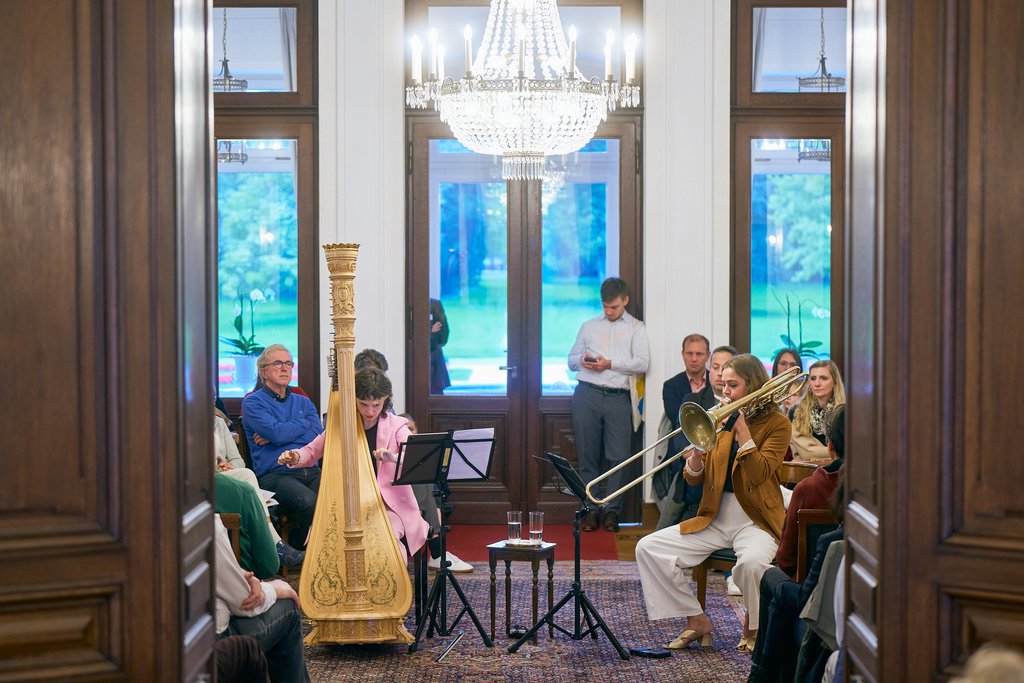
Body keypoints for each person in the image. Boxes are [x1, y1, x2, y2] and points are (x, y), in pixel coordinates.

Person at [634, 354, 790, 653]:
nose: (726, 391)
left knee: (752, 564)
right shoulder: (716, 416)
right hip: (715, 517)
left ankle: (754, 625)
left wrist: (743, 433)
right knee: (648, 548)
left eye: (733, 385)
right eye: (723, 384)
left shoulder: (777, 423)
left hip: (755, 519)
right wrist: (695, 460)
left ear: (754, 385)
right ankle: (697, 620)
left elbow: (760, 473)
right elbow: (694, 480)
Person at [279, 367, 428, 561]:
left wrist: (392, 457)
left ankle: (390, 586)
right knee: (332, 540)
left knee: (384, 538)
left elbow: (413, 457)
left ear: (385, 400)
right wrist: (295, 456)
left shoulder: (397, 425)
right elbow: (311, 451)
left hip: (388, 505)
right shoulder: (342, 425)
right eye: (363, 404)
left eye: (376, 404)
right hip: (349, 504)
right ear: (353, 400)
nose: (369, 411)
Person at [568, 277, 650, 532]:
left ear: (625, 300)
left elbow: (642, 363)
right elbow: (570, 361)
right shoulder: (589, 326)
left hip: (618, 396)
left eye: (613, 307)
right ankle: (590, 510)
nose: (608, 311)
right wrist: (584, 359)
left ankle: (612, 512)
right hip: (586, 394)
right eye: (605, 306)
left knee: (619, 458)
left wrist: (609, 363)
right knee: (587, 456)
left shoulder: (637, 328)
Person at [241, 344, 324, 549]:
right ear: (263, 371)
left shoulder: (303, 402)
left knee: (335, 497)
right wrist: (300, 426)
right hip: (276, 474)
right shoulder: (253, 403)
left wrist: (279, 434)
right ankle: (298, 550)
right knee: (308, 501)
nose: (285, 368)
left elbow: (317, 435)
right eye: (277, 363)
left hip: (311, 469)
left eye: (288, 363)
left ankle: (326, 551)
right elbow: (278, 433)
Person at [214, 514, 310, 683]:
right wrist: (276, 589)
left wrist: (241, 574)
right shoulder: (201, 522)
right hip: (209, 647)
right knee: (287, 606)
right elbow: (244, 603)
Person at [656, 343, 737, 530]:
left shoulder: (743, 404)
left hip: (726, 485)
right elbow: (681, 445)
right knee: (658, 535)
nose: (718, 373)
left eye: (725, 368)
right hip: (690, 478)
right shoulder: (692, 400)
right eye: (715, 367)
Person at [775, 405, 845, 576]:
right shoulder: (870, 492)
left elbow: (785, 561)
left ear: (829, 444)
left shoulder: (807, 489)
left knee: (770, 577)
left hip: (810, 589)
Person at [400, 412, 473, 573]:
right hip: (402, 500)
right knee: (426, 482)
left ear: (417, 430)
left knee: (429, 481)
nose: (409, 434)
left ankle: (437, 551)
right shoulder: (392, 453)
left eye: (412, 429)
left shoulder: (424, 452)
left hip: (420, 503)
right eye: (405, 430)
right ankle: (438, 552)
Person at [789, 359, 845, 465]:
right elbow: (806, 453)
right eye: (813, 379)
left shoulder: (844, 413)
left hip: (836, 473)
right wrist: (835, 453)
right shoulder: (796, 411)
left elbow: (851, 451)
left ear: (835, 382)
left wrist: (812, 453)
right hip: (803, 474)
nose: (817, 383)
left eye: (823, 378)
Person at [429, 298, 451, 394]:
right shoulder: (433, 304)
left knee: (437, 391)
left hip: (435, 355)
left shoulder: (435, 304)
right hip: (422, 356)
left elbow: (444, 333)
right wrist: (429, 331)